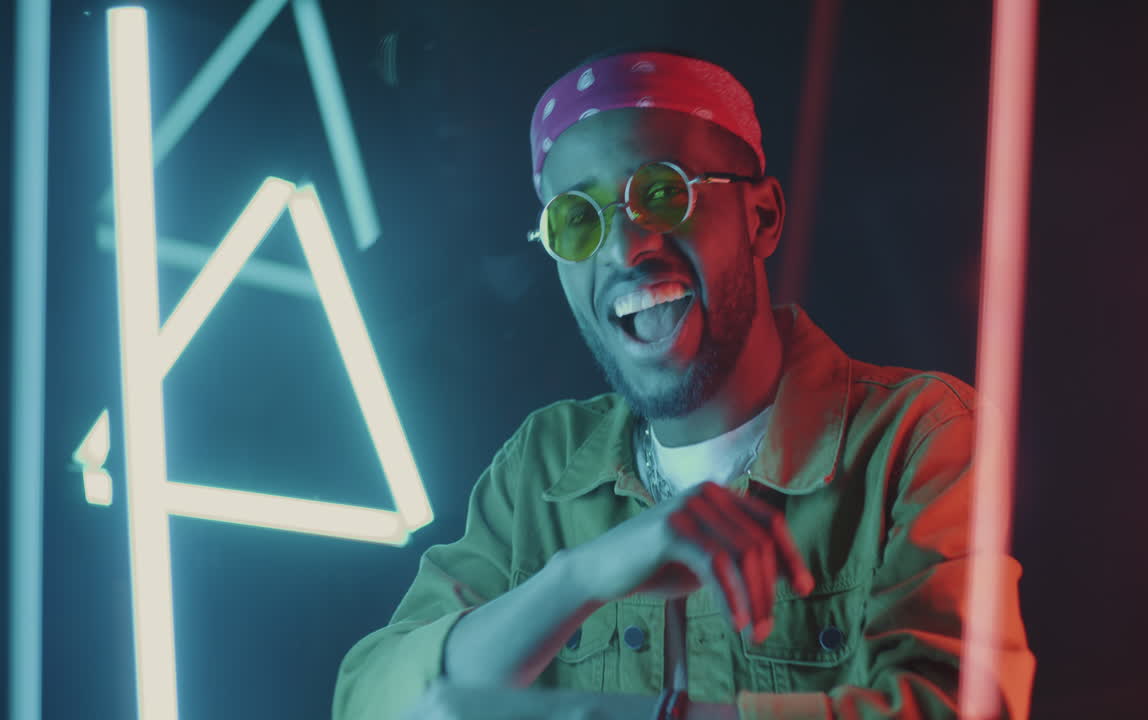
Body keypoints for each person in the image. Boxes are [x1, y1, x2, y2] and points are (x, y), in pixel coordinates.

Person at [332, 49, 1035, 720]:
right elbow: (372, 701)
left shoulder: (915, 439)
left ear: (761, 217)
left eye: (663, 193)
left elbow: (959, 707)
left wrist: (592, 713)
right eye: (578, 221)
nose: (624, 247)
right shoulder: (540, 469)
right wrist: (578, 578)